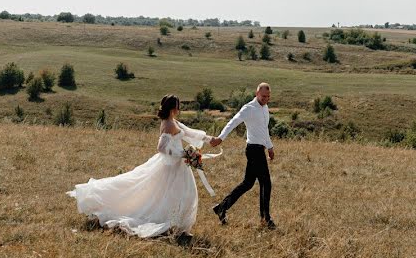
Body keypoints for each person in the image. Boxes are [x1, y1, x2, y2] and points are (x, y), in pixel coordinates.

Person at [66, 94, 211, 238]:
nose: (179, 110)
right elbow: (161, 147)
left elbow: (189, 132)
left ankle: (178, 227)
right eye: (178, 107)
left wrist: (210, 139)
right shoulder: (168, 124)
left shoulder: (173, 122)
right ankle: (173, 226)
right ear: (174, 108)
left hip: (176, 166)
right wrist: (182, 153)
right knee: (169, 195)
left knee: (179, 195)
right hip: (170, 166)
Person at [209, 82, 276, 229]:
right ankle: (266, 219)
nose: (266, 99)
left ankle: (221, 208)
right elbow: (233, 122)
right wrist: (221, 138)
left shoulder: (265, 108)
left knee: (248, 183)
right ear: (257, 93)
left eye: (268, 97)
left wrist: (270, 147)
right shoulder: (249, 108)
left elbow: (264, 130)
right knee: (266, 183)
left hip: (260, 149)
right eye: (263, 96)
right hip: (253, 150)